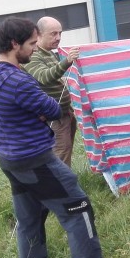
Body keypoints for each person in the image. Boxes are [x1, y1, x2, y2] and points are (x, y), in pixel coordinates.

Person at [0, 17, 111, 258]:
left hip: (10, 159)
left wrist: (31, 112)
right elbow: (52, 108)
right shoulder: (18, 80)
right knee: (78, 208)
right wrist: (38, 112)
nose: (35, 48)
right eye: (31, 43)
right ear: (15, 44)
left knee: (30, 219)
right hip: (35, 159)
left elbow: (22, 108)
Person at [23, 16, 81, 166]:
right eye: (53, 33)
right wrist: (67, 61)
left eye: (60, 33)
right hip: (53, 116)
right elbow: (45, 77)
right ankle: (62, 186)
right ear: (39, 35)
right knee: (60, 151)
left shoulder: (50, 53)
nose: (58, 37)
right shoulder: (34, 56)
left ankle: (65, 183)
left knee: (66, 149)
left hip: (65, 112)